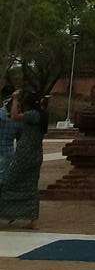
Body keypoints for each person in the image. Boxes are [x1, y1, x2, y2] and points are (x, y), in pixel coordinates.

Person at [0, 89, 48, 228]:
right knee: (31, 185)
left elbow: (14, 116)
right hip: (36, 154)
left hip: (24, 154)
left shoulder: (32, 115)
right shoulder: (42, 115)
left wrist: (15, 98)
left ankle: (9, 212)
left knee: (9, 183)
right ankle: (31, 218)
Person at [0, 91, 20, 184]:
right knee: (5, 175)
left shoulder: (1, 114)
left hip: (6, 148)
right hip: (9, 150)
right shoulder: (17, 118)